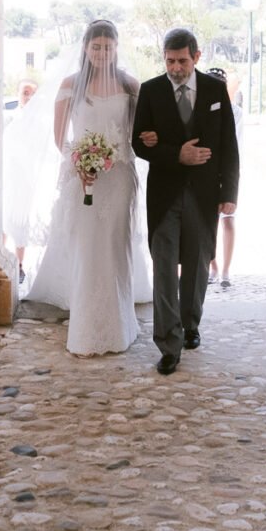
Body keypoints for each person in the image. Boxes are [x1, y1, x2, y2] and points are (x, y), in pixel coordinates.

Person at [25, 19, 143, 356]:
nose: (102, 53)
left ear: (116, 48)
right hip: (83, 177)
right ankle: (88, 329)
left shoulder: (131, 86)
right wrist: (80, 163)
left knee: (114, 247)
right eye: (96, 47)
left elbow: (141, 131)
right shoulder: (70, 85)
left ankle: (120, 327)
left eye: (108, 47)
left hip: (119, 175)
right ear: (85, 48)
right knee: (89, 250)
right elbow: (61, 138)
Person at [132, 28, 240, 375]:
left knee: (197, 263)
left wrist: (229, 194)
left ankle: (190, 324)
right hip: (164, 196)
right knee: (164, 268)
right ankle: (167, 343)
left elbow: (228, 144)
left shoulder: (214, 90)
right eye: (169, 61)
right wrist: (176, 154)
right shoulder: (150, 91)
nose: (175, 68)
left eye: (181, 60)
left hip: (204, 193)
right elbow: (138, 143)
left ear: (196, 56)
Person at [205, 67, 243, 289]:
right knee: (208, 222)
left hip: (228, 170)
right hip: (208, 172)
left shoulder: (235, 112)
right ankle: (213, 266)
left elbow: (236, 144)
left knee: (228, 219)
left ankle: (226, 269)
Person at [1, 79, 39, 282]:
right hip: (8, 174)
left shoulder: (40, 122)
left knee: (20, 218)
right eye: (25, 92)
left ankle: (20, 264)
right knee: (3, 217)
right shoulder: (9, 118)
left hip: (26, 177)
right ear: (18, 94)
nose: (29, 97)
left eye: (33, 93)